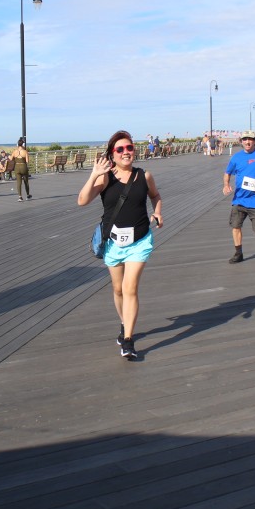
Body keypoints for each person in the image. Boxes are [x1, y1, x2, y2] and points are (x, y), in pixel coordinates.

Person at [78, 130, 163, 360]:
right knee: (118, 289)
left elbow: (155, 196)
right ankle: (124, 322)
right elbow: (82, 201)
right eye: (120, 149)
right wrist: (93, 174)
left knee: (130, 288)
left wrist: (157, 212)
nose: (126, 152)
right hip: (113, 243)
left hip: (140, 241)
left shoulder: (144, 176)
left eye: (129, 148)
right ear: (112, 154)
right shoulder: (106, 178)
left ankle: (128, 339)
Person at [223, 129, 255, 264]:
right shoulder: (236, 157)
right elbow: (227, 173)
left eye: (250, 139)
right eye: (245, 139)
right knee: (235, 226)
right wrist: (226, 185)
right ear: (241, 142)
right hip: (239, 199)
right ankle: (238, 253)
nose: (247, 142)